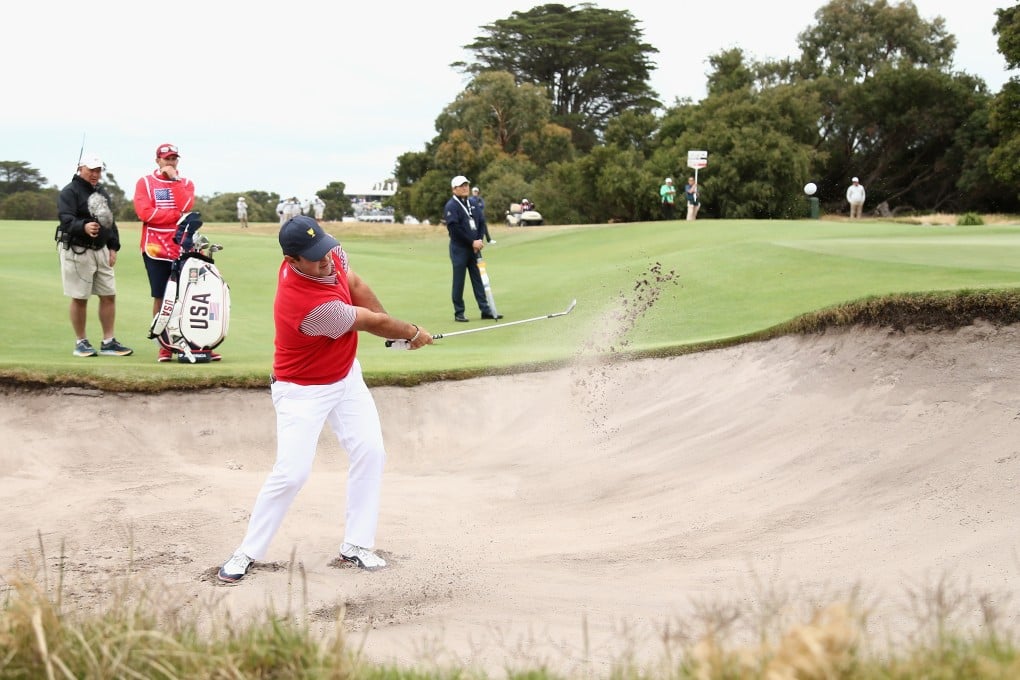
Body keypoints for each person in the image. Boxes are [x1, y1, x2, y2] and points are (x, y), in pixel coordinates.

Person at [217, 215, 434, 583]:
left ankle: (356, 546)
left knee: (371, 452)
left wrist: (389, 324)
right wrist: (412, 332)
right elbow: (367, 321)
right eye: (315, 257)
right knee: (292, 474)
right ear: (292, 261)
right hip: (302, 390)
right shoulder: (308, 307)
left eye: (326, 249)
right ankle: (247, 552)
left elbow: (354, 283)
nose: (326, 259)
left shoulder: (329, 255)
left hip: (345, 376)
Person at [134, 142, 219, 362]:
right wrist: (175, 216)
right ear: (158, 160)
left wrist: (174, 182)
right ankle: (165, 345)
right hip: (155, 249)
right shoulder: (145, 182)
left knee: (188, 296)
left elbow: (187, 206)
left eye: (173, 158)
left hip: (184, 247)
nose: (170, 162)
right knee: (162, 296)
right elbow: (146, 214)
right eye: (166, 158)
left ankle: (197, 342)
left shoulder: (185, 183)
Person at [56, 154, 133, 358]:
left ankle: (108, 341)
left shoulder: (101, 192)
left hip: (101, 250)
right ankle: (81, 342)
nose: (95, 174)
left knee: (108, 295)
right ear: (80, 168)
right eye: (91, 169)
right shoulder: (69, 192)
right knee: (80, 297)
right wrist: (83, 226)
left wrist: (113, 247)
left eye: (98, 170)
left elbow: (110, 221)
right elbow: (66, 219)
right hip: (77, 250)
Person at [445, 176, 501, 322]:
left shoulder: (473, 203)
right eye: (461, 186)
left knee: (479, 279)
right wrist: (472, 242)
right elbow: (455, 230)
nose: (465, 188)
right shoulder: (451, 206)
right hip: (459, 249)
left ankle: (485, 309)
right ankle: (459, 312)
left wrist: (479, 240)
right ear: (454, 189)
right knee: (459, 281)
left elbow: (482, 222)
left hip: (475, 249)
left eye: (466, 185)